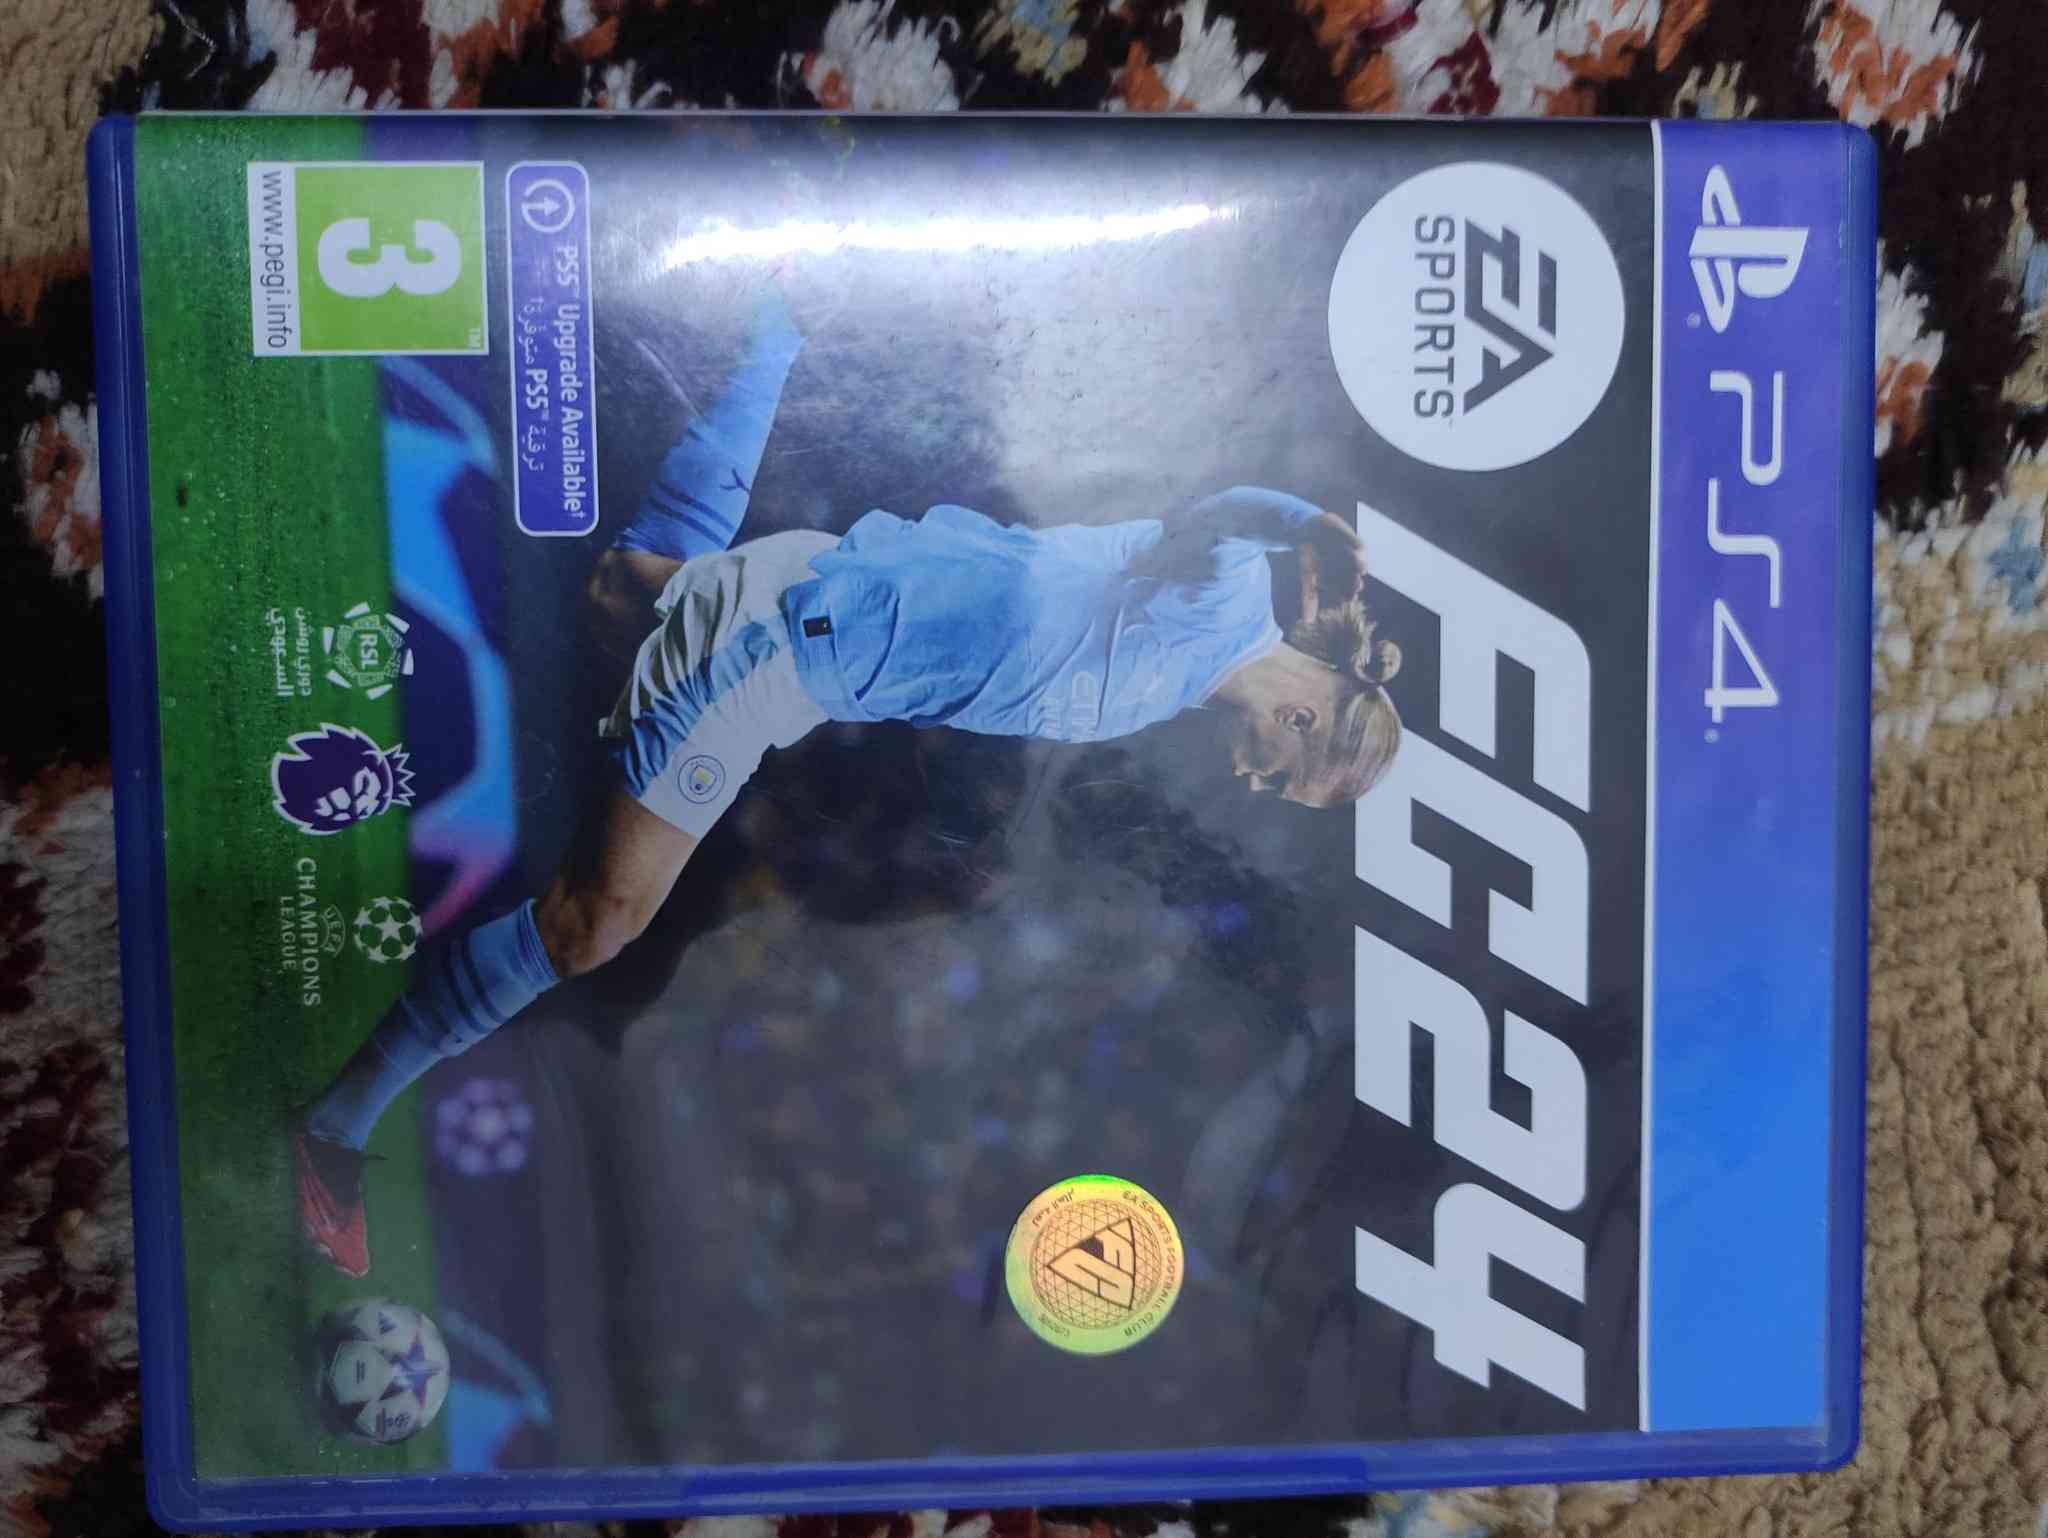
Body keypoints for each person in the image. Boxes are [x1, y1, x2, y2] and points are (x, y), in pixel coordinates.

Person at [291, 289, 1404, 1278]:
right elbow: (1222, 515)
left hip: (814, 610)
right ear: (1304, 721)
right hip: (785, 651)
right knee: (595, 925)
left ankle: (774, 328)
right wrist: (1304, 525)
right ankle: (331, 1131)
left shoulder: (1188, 676)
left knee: (632, 597)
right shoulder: (1221, 604)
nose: (1263, 787)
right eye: (1289, 781)